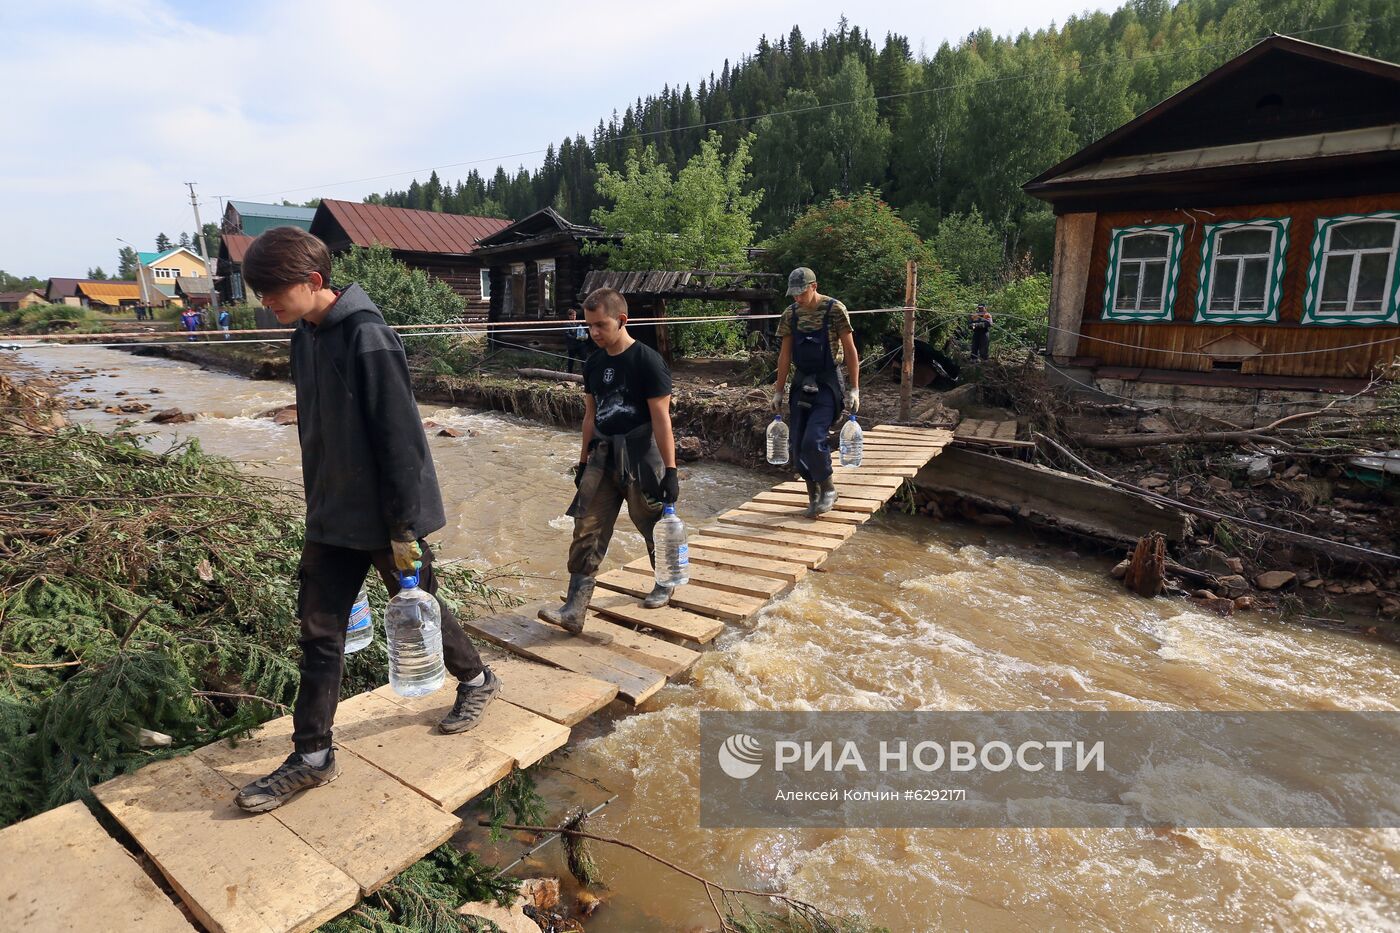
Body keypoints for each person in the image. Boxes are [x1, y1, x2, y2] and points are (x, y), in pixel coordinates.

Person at [233, 226, 498, 813]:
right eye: (262, 292)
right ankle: (312, 756)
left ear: (314, 282)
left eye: (275, 291)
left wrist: (404, 528)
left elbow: (401, 438)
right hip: (332, 514)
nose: (266, 303)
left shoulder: (367, 335)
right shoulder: (303, 334)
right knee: (318, 632)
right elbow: (316, 433)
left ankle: (477, 680)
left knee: (420, 605)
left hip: (386, 517)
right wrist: (317, 502)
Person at [541, 287, 679, 637]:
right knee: (586, 526)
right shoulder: (594, 362)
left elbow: (662, 419)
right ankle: (574, 609)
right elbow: (590, 415)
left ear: (622, 320)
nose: (594, 333)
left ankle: (665, 582)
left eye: (600, 325)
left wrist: (672, 471)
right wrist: (583, 461)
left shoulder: (648, 361)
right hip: (602, 457)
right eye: (589, 326)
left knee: (650, 522)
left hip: (640, 456)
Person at [771, 267, 860, 516]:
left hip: (828, 382)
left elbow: (851, 351)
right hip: (801, 382)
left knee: (813, 440)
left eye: (801, 293)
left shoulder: (834, 310)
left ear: (814, 286)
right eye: (794, 294)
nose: (797, 298)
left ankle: (829, 488)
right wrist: (778, 391)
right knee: (797, 446)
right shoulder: (790, 314)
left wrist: (854, 389)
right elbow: (785, 355)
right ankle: (813, 495)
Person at [564, 306, 590, 374]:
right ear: (569, 316)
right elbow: (567, 335)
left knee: (583, 358)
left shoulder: (578, 323)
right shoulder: (567, 324)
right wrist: (574, 337)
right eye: (572, 315)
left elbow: (582, 331)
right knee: (571, 359)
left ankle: (585, 372)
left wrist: (584, 335)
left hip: (580, 344)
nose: (574, 317)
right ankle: (569, 373)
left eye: (575, 315)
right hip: (572, 345)